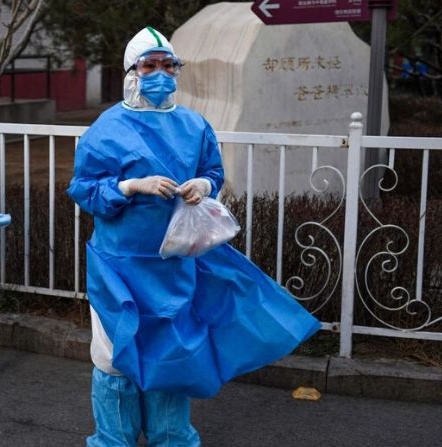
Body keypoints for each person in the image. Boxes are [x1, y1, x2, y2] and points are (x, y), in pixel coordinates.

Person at [67, 27, 321, 446]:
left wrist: (203, 185)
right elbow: (85, 188)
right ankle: (114, 439)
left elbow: (212, 171)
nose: (160, 73)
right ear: (132, 71)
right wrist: (131, 187)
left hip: (175, 263)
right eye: (150, 65)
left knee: (173, 352)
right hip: (119, 264)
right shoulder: (106, 128)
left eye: (168, 65)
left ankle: (172, 438)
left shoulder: (193, 124)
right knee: (114, 359)